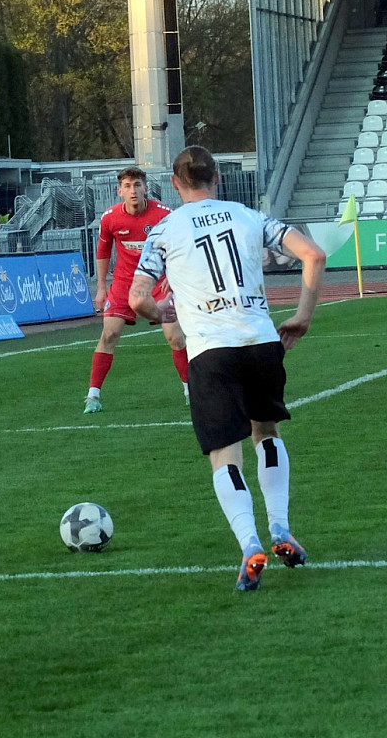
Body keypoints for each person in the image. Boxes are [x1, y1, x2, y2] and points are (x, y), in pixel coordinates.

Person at [128, 146, 326, 592]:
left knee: (224, 452)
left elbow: (137, 298)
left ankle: (250, 544)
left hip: (211, 352)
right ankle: (280, 526)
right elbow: (312, 254)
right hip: (260, 342)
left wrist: (162, 314)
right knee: (267, 432)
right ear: (216, 178)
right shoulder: (249, 216)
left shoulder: (164, 230)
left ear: (174, 184)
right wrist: (302, 317)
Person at [83, 167, 189, 414]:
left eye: (137, 185)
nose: (133, 191)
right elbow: (103, 252)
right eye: (128, 186)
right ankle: (93, 396)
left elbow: (180, 248)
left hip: (157, 282)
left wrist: (173, 277)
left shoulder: (164, 215)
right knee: (109, 335)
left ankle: (190, 390)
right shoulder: (110, 218)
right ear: (119, 191)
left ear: (145, 189)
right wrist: (101, 287)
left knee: (175, 337)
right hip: (124, 283)